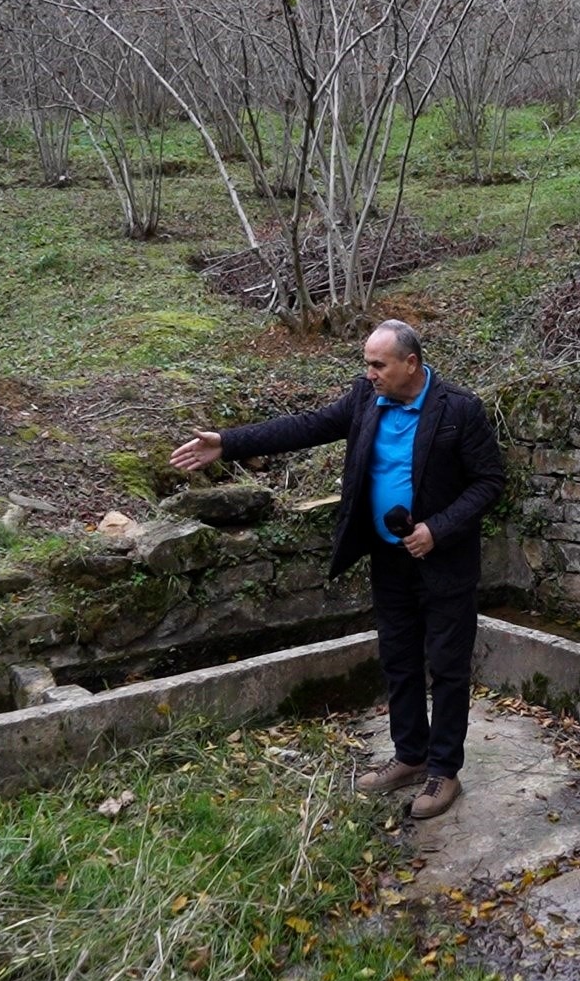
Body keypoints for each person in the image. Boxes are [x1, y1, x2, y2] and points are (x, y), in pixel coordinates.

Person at [170, 320, 504, 819]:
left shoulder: (459, 409)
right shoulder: (365, 399)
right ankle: (411, 755)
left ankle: (443, 771)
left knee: (448, 666)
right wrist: (228, 442)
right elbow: (305, 426)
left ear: (410, 364)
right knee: (398, 658)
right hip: (388, 556)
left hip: (443, 560)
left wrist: (438, 528)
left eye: (378, 364)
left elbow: (488, 482)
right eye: (367, 363)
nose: (368, 373)